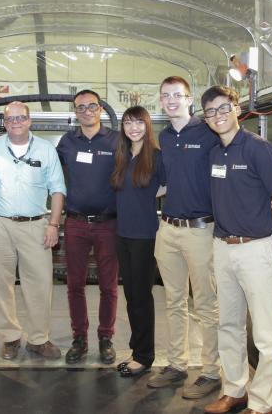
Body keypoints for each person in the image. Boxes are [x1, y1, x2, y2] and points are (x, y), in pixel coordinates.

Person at [201, 86, 272, 414]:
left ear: (237, 108)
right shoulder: (214, 153)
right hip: (223, 248)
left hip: (256, 250)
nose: (218, 115)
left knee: (265, 334)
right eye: (211, 111)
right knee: (228, 325)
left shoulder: (257, 149)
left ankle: (263, 402)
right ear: (206, 118)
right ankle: (235, 390)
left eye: (223, 108)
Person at [147, 76, 221, 400]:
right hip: (169, 228)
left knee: (206, 303)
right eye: (166, 96)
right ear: (161, 102)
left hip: (201, 231)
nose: (172, 100)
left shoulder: (207, 133)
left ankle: (211, 372)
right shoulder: (164, 137)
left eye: (178, 95)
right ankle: (177, 365)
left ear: (189, 99)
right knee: (173, 300)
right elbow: (163, 183)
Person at [0, 101, 66, 360]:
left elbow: (58, 189)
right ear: (4, 123)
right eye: (10, 119)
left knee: (40, 284)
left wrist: (53, 224)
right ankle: (10, 338)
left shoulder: (46, 149)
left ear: (30, 121)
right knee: (1, 283)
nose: (15, 122)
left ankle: (39, 339)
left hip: (35, 225)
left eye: (21, 118)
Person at [56, 89, 119, 365]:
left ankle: (106, 337)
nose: (86, 111)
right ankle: (79, 338)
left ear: (101, 109)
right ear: (75, 112)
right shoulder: (67, 142)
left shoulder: (118, 140)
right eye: (80, 107)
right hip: (76, 223)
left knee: (109, 286)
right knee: (75, 285)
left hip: (109, 224)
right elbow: (52, 177)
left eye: (92, 106)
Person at [110, 106, 161, 377]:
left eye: (139, 123)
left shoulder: (156, 157)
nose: (134, 128)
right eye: (128, 123)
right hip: (123, 235)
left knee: (141, 296)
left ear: (147, 126)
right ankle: (137, 348)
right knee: (131, 296)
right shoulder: (123, 156)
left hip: (144, 236)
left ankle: (144, 356)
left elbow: (169, 186)